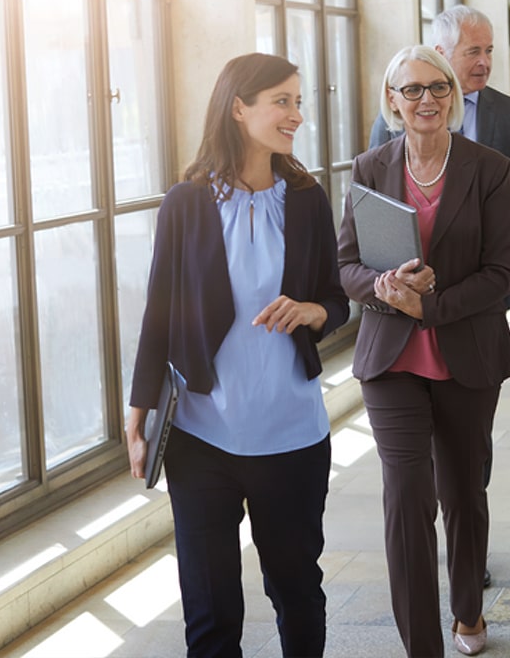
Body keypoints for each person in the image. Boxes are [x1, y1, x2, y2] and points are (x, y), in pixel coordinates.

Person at [125, 53, 350, 658]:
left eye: (299, 101)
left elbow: (337, 299)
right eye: (282, 100)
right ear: (238, 107)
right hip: (201, 440)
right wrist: (138, 410)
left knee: (297, 593)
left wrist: (312, 311)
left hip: (292, 437)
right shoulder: (186, 202)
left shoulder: (306, 200)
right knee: (210, 608)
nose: (296, 114)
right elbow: (159, 312)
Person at [337, 45, 510, 657]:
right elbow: (346, 267)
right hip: (390, 359)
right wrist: (384, 289)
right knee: (407, 497)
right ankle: (422, 646)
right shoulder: (369, 168)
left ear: (454, 96)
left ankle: (467, 608)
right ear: (392, 100)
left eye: (437, 88)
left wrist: (431, 305)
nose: (426, 100)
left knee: (464, 492)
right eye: (410, 90)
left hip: (465, 353)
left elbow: (502, 274)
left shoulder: (488, 167)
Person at [369, 5, 510, 230]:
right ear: (441, 54)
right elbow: (373, 199)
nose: (484, 62)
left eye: (489, 51)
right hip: (413, 257)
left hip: (486, 258)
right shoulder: (400, 114)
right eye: (473, 51)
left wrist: (484, 204)